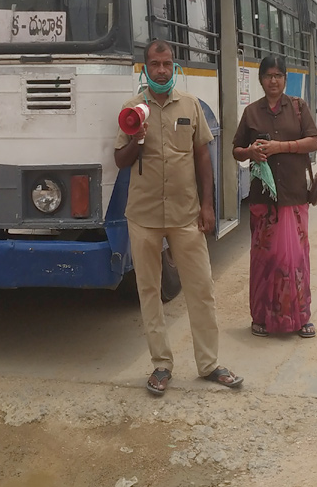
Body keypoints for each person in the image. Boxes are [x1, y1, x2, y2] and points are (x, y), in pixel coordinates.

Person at [114, 40, 243, 395]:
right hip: (143, 215)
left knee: (201, 289)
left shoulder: (190, 105)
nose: (161, 70)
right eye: (154, 64)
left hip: (186, 214)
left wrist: (208, 206)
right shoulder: (131, 109)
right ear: (145, 67)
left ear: (174, 66)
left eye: (166, 64)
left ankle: (209, 364)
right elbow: (119, 161)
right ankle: (161, 366)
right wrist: (134, 140)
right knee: (149, 291)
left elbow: (203, 156)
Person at [232, 55, 317, 337]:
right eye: (268, 76)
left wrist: (280, 146)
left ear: (285, 78)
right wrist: (251, 153)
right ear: (261, 79)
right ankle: (262, 317)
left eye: (278, 75)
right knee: (264, 258)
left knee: (296, 258)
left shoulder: (298, 107)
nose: (273, 80)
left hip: (294, 196)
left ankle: (301, 316)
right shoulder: (251, 112)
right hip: (263, 199)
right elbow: (236, 149)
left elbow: (313, 140)